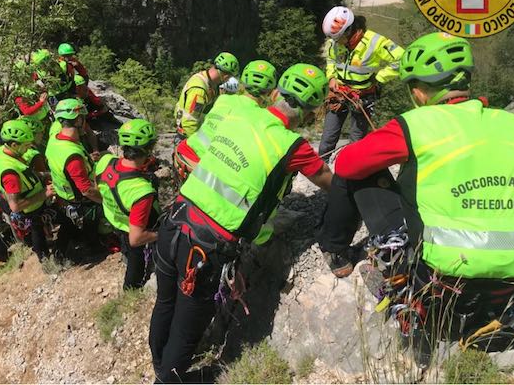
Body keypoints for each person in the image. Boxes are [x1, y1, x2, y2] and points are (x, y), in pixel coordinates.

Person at [317, 33, 514, 352]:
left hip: (440, 276)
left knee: (360, 171)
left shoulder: (416, 124)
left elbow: (349, 164)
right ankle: (493, 317)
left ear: (419, 91)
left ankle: (337, 251)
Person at [149, 63, 333, 383]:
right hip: (206, 249)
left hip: (175, 221)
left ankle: (158, 361)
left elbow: (192, 151)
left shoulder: (239, 113)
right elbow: (329, 181)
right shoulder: (293, 147)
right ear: (310, 114)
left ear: (275, 94)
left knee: (165, 302)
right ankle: (169, 378)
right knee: (186, 326)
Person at [173, 59, 278, 183]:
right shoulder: (200, 89)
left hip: (186, 150)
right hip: (192, 152)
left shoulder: (222, 99)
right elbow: (190, 121)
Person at [318, 6, 404, 156]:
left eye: (339, 39)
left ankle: (352, 173)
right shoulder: (334, 40)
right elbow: (331, 58)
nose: (336, 43)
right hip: (339, 94)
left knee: (357, 140)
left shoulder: (374, 42)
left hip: (363, 97)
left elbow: (402, 59)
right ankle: (322, 170)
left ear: (349, 31)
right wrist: (331, 77)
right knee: (328, 139)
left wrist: (380, 77)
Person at [96, 119, 161, 289]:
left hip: (113, 217)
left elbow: (98, 188)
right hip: (130, 228)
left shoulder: (105, 162)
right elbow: (136, 238)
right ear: (147, 150)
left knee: (127, 247)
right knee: (135, 256)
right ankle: (131, 287)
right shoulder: (142, 191)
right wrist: (161, 234)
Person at [0, 119, 56, 262]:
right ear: (14, 144)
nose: (29, 148)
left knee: (38, 231)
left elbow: (25, 173)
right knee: (37, 232)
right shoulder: (10, 174)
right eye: (26, 145)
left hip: (30, 197)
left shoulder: (3, 151)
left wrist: (45, 175)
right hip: (29, 208)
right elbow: (15, 206)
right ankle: (45, 261)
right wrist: (44, 193)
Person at [45, 98, 103, 254]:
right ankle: (94, 248)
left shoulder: (54, 140)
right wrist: (107, 201)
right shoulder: (72, 155)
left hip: (65, 196)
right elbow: (86, 190)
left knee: (70, 227)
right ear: (78, 119)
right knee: (94, 228)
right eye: (83, 118)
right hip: (82, 201)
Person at [173, 52, 239, 142]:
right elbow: (190, 122)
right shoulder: (199, 89)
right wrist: (197, 146)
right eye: (229, 78)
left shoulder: (211, 83)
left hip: (197, 132)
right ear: (225, 76)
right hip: (187, 137)